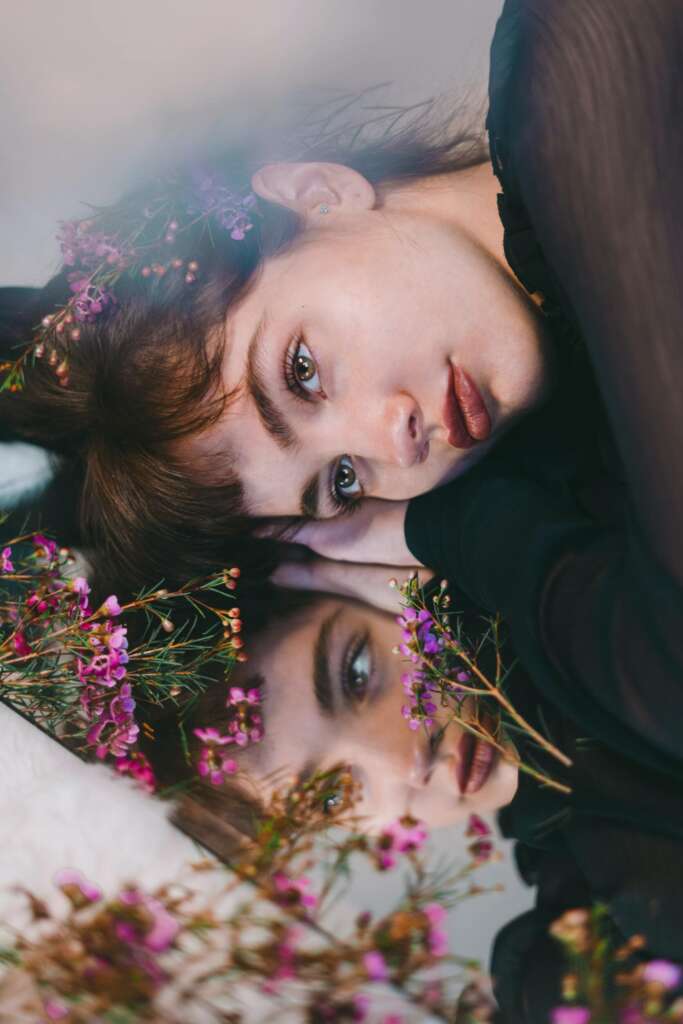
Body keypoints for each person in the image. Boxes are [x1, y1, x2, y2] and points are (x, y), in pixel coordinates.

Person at [2, 1, 682, 770]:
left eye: (302, 371)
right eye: (343, 481)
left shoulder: (574, 73)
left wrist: (449, 528)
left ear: (317, 194)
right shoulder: (584, 445)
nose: (392, 438)